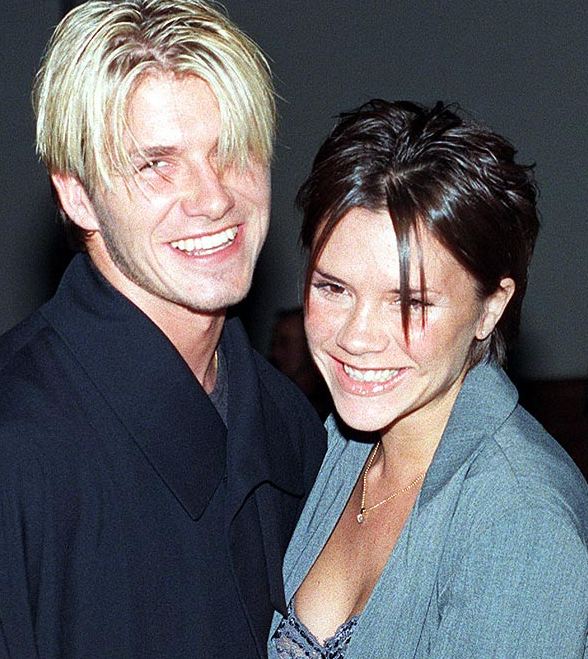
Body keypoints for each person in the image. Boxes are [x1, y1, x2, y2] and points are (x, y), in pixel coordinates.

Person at [0, 1, 326, 657]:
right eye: (157, 163)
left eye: (231, 150)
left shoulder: (292, 427)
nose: (214, 197)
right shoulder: (19, 445)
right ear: (78, 195)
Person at [268, 100, 588, 657]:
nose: (357, 337)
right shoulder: (336, 446)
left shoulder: (521, 518)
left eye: (410, 302)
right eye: (333, 288)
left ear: (490, 309)